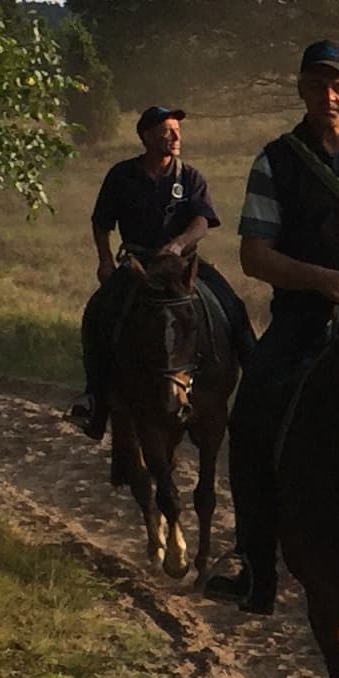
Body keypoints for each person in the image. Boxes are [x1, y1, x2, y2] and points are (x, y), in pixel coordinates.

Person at [69, 106, 253, 441]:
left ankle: (254, 385)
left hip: (182, 265)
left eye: (177, 130)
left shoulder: (190, 177)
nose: (175, 136)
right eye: (167, 131)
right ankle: (95, 398)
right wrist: (105, 261)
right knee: (98, 313)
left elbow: (202, 221)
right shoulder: (121, 175)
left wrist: (179, 244)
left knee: (232, 306)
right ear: (146, 136)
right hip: (139, 266)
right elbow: (101, 223)